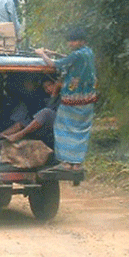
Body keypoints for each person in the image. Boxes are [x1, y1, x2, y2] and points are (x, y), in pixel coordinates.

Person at [35, 28, 98, 171]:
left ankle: (65, 163)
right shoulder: (88, 52)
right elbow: (71, 59)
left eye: (74, 41)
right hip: (88, 99)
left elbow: (53, 65)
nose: (71, 43)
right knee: (81, 130)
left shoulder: (76, 55)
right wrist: (55, 54)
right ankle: (77, 163)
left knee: (63, 128)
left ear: (82, 41)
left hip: (72, 100)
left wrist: (42, 54)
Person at [1, 76, 61, 145]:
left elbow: (50, 110)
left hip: (57, 122)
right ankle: (1, 135)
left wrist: (54, 95)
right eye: (45, 88)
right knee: (23, 121)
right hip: (43, 124)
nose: (48, 89)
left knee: (46, 112)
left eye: (50, 85)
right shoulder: (46, 99)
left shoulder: (61, 96)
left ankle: (19, 135)